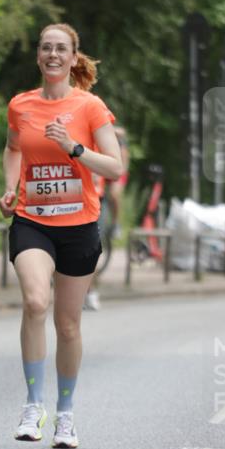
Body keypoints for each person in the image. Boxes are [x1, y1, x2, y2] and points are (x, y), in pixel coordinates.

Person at [0, 23, 123, 448]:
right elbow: (13, 148)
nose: (52, 55)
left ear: (73, 58)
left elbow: (115, 166)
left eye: (61, 49)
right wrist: (11, 187)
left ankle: (65, 415)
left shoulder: (90, 108)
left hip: (79, 226)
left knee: (67, 325)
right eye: (46, 48)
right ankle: (34, 406)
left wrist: (73, 147)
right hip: (33, 220)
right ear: (38, 56)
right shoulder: (21, 105)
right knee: (35, 301)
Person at [83, 124, 130, 311]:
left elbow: (119, 169)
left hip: (97, 199)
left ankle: (91, 292)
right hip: (74, 200)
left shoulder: (106, 137)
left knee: (90, 249)